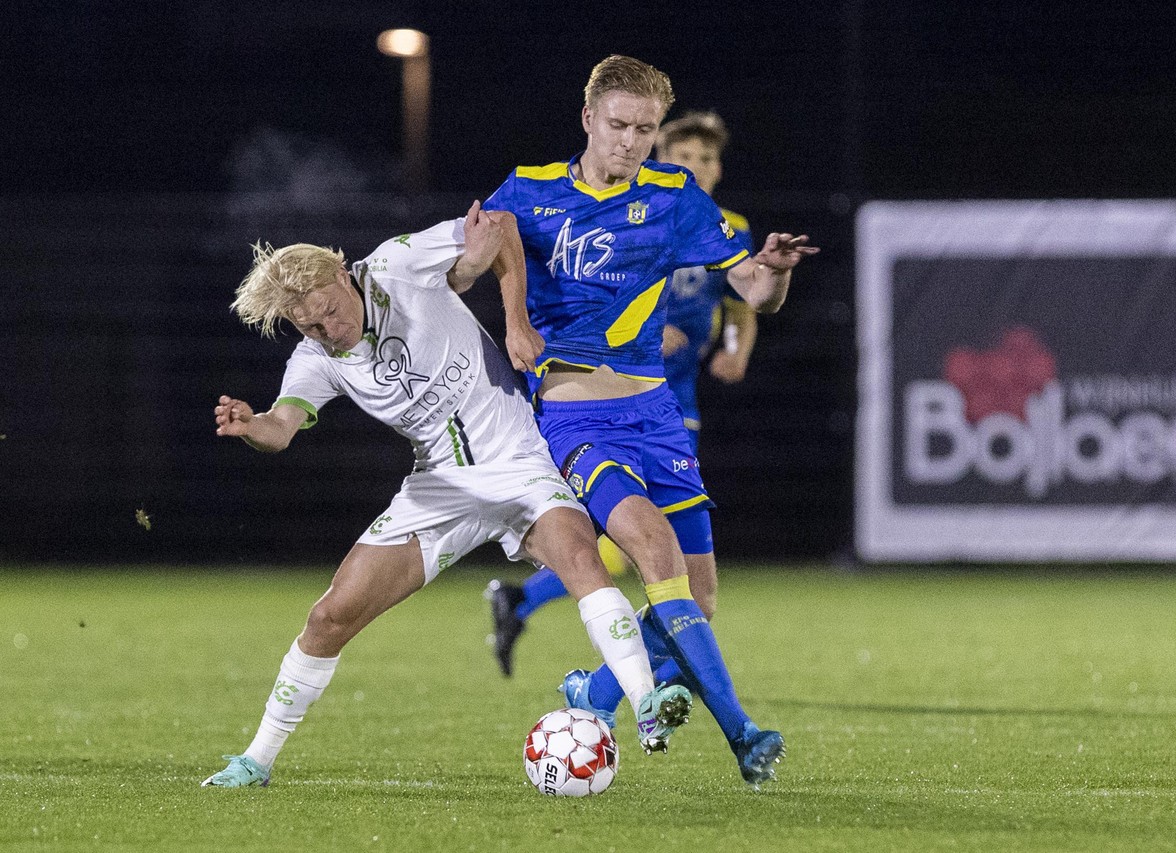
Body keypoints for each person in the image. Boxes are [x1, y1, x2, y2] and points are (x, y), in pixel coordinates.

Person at [200, 201, 692, 788]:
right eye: (308, 326)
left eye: (329, 312)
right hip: (439, 486)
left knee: (582, 560)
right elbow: (281, 428)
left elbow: (502, 225)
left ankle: (645, 706)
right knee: (329, 617)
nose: (327, 330)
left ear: (342, 273)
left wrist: (512, 317)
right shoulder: (317, 359)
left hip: (518, 459)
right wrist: (251, 424)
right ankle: (255, 759)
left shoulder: (395, 263)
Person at [482, 55, 817, 786]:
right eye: (619, 126)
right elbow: (477, 253)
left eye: (645, 128)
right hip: (575, 418)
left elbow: (754, 290)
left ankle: (591, 693)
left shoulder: (676, 196)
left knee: (699, 601)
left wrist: (778, 268)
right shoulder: (532, 190)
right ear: (587, 120)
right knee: (651, 546)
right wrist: (512, 320)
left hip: (658, 415)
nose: (631, 141)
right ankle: (743, 735)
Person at [486, 111, 758, 670]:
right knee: (647, 551)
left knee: (659, 558)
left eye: (706, 160)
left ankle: (531, 608)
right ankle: (630, 679)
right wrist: (649, 331)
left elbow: (740, 306)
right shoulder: (636, 211)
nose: (698, 168)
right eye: (685, 158)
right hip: (608, 398)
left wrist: (736, 347)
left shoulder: (724, 225)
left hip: (675, 401)